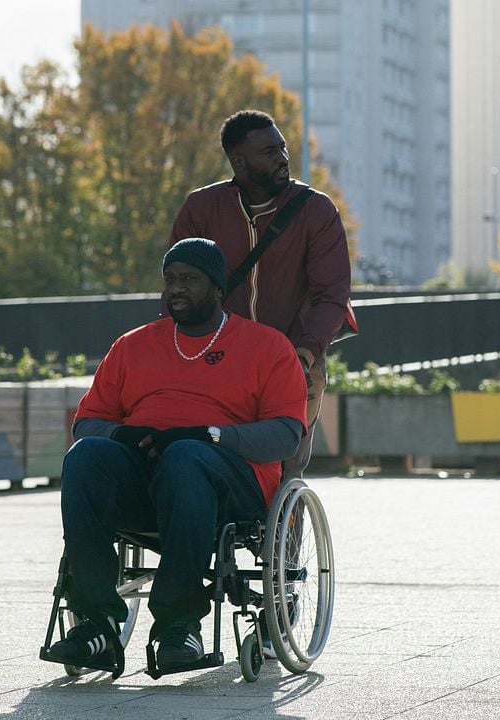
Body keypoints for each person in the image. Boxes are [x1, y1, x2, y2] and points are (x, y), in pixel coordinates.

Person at [46, 238, 307, 674]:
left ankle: (178, 623)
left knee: (186, 455)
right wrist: (125, 434)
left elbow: (285, 435)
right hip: (147, 479)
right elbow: (88, 422)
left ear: (218, 287)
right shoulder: (132, 345)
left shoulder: (267, 347)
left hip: (231, 484)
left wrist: (210, 436)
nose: (175, 289)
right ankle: (97, 622)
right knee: (85, 455)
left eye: (189, 279)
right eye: (169, 280)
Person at [169, 109, 351, 479]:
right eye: (268, 151)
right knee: (204, 452)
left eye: (282, 148)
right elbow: (178, 287)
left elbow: (331, 294)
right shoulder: (202, 209)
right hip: (217, 359)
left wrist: (303, 356)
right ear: (239, 161)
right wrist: (173, 354)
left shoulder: (316, 210)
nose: (282, 158)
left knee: (286, 468)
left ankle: (286, 525)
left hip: (294, 354)